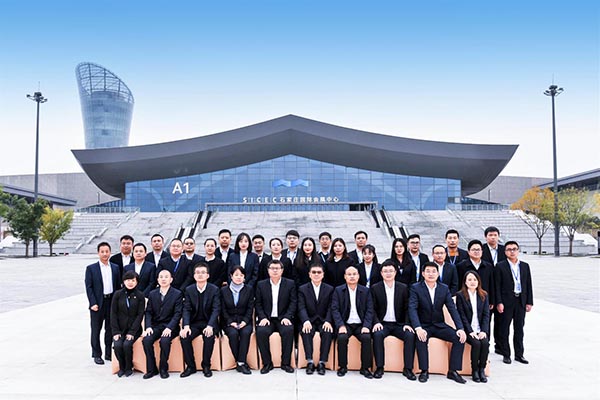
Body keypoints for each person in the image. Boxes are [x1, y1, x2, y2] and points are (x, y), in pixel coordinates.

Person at [409, 262, 467, 384]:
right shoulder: (416, 288)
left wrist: (460, 328)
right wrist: (418, 327)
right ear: (423, 273)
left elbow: (452, 309)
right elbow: (412, 308)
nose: (431, 274)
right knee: (421, 338)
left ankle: (453, 371)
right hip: (424, 325)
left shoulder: (444, 288)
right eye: (428, 271)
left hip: (439, 325)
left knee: (459, 338)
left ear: (438, 273)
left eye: (433, 271)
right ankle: (424, 370)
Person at [371, 260, 417, 380]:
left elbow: (408, 308)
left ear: (395, 272)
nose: (388, 273)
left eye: (391, 271)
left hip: (399, 324)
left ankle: (408, 368)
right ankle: (379, 367)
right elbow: (372, 309)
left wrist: (407, 323)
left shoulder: (403, 288)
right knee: (377, 334)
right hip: (383, 324)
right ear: (381, 273)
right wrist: (376, 322)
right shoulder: (375, 288)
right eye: (385, 271)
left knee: (410, 335)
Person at [255, 259, 297, 374]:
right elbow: (258, 303)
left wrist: (287, 317)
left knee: (288, 330)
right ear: (268, 270)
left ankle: (286, 363)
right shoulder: (261, 285)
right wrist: (263, 317)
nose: (275, 271)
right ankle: (267, 363)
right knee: (261, 332)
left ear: (282, 270)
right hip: (267, 318)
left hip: (283, 318)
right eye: (272, 268)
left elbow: (293, 302)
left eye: (277, 268)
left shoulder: (290, 284)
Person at [331, 266, 374, 379]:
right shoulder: (338, 290)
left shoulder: (365, 291)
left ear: (358, 276)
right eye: (349, 274)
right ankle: (342, 367)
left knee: (366, 337)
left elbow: (370, 310)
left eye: (354, 274)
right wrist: (340, 325)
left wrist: (366, 326)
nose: (352, 276)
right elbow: (335, 309)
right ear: (345, 277)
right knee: (342, 338)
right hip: (346, 324)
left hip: (360, 324)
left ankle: (365, 368)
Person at [495, 241, 533, 365]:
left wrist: (529, 302)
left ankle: (519, 354)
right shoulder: (500, 266)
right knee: (504, 329)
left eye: (514, 249)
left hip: (520, 301)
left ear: (518, 250)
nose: (512, 251)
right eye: (509, 249)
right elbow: (497, 286)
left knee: (519, 329)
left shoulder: (525, 266)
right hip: (506, 302)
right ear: (505, 252)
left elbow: (528, 284)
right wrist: (499, 302)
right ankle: (506, 354)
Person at [180, 263, 221, 378]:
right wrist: (186, 326)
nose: (200, 275)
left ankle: (206, 365)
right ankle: (190, 366)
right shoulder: (189, 290)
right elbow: (186, 309)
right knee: (184, 337)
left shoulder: (214, 289)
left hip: (208, 323)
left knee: (209, 336)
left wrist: (210, 326)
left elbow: (216, 309)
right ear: (194, 276)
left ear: (208, 275)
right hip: (194, 323)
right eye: (197, 273)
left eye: (203, 273)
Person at [142, 269, 183, 379]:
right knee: (146, 340)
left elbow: (178, 314)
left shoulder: (177, 294)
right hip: (156, 326)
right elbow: (148, 312)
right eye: (161, 277)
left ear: (171, 279)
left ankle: (163, 368)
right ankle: (151, 369)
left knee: (164, 341)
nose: (163, 279)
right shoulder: (152, 294)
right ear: (158, 280)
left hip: (171, 327)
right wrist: (148, 327)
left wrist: (169, 327)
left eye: (166, 277)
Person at [85, 242, 121, 365]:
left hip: (111, 301)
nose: (105, 254)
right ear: (98, 253)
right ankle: (96, 354)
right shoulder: (91, 268)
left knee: (110, 329)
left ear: (110, 252)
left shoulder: (115, 268)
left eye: (107, 251)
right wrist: (92, 303)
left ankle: (108, 353)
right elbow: (89, 287)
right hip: (97, 303)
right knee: (96, 329)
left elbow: (117, 286)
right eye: (102, 252)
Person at [297, 263, 334, 375]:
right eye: (314, 272)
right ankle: (310, 362)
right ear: (309, 274)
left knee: (327, 332)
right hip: (309, 320)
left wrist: (328, 321)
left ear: (323, 274)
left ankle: (322, 362)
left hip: (324, 320)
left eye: (319, 272)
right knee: (306, 331)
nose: (316, 274)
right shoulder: (302, 289)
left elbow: (331, 307)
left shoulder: (330, 289)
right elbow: (301, 307)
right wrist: (305, 321)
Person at [456, 271, 490, 383]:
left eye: (475, 279)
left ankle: (482, 369)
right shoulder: (460, 295)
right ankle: (474, 370)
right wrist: (470, 331)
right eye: (469, 280)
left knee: (485, 343)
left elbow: (486, 315)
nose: (472, 282)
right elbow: (462, 316)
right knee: (476, 344)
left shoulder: (484, 295)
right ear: (465, 282)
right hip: (468, 329)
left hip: (480, 329)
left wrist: (484, 331)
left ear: (478, 281)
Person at [110, 270, 145, 377]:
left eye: (133, 280)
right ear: (124, 281)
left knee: (127, 345)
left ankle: (129, 366)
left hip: (134, 329)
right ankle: (122, 366)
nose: (130, 282)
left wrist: (132, 332)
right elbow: (113, 313)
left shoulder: (140, 295)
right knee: (117, 345)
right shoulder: (117, 294)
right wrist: (115, 331)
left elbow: (140, 315)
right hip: (119, 328)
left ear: (137, 282)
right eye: (128, 280)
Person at [221, 266, 254, 374]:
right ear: (231, 276)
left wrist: (245, 321)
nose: (239, 277)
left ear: (244, 277)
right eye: (236, 275)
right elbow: (223, 309)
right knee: (233, 334)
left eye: (241, 275)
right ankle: (241, 362)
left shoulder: (249, 289)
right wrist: (230, 322)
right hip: (229, 321)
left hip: (245, 320)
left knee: (245, 333)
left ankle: (240, 362)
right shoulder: (224, 290)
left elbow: (250, 308)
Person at [456, 240, 495, 305]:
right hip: (466, 299)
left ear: (482, 251)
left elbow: (491, 284)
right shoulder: (461, 266)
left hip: (484, 299)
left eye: (478, 250)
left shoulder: (488, 266)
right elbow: (459, 284)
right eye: (474, 249)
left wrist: (492, 301)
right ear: (468, 252)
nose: (476, 252)